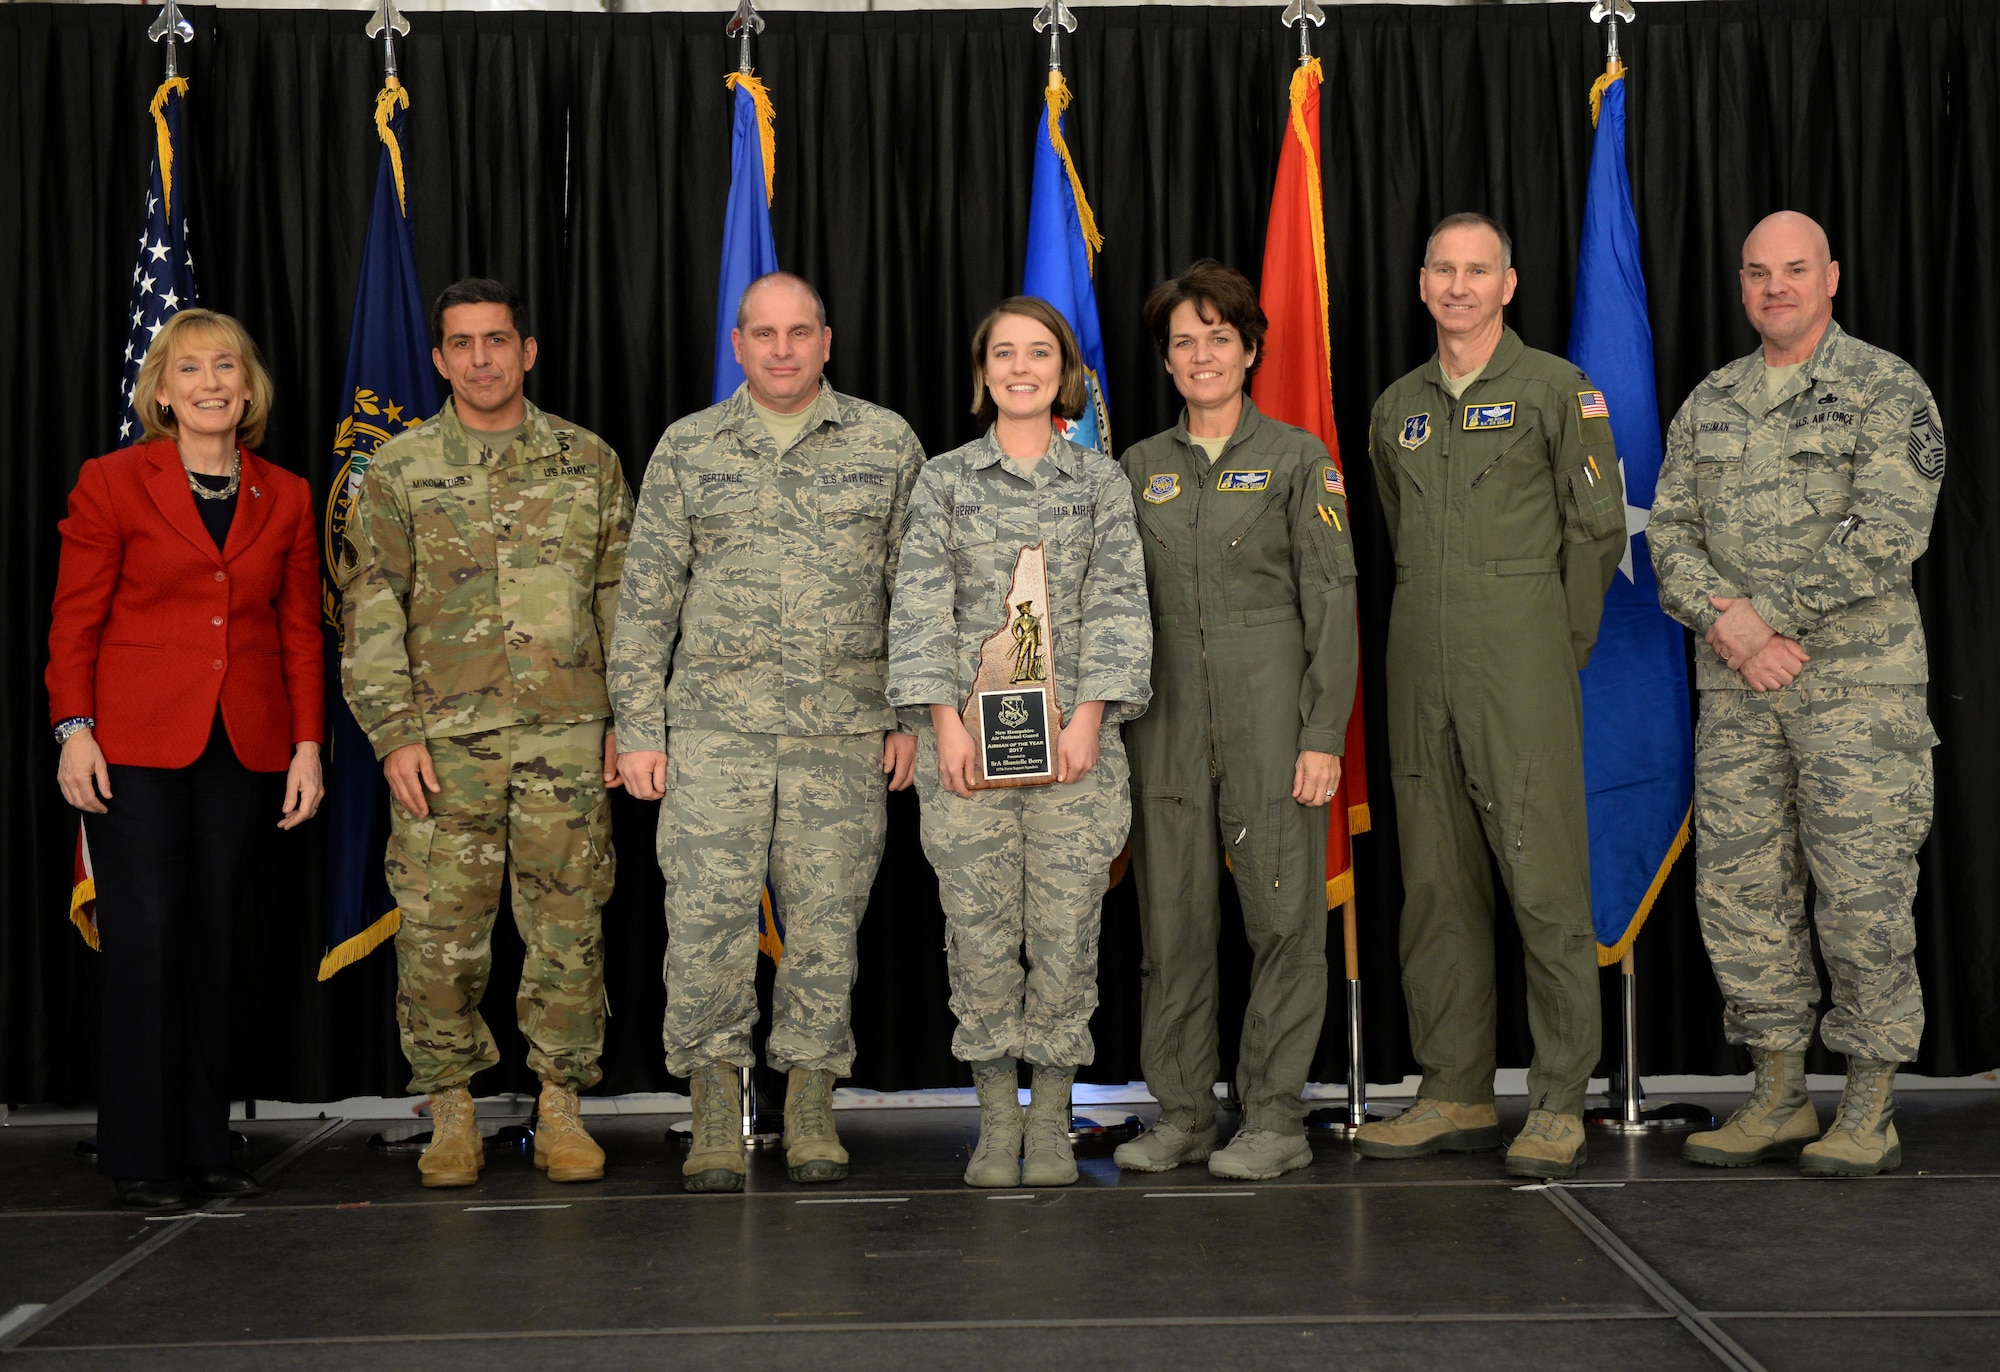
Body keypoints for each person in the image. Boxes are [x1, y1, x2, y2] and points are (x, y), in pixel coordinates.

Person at [608, 271, 926, 1193]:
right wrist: (638, 728)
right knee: (703, 923)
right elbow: (645, 605)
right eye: (763, 334)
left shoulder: (885, 443)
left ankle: (811, 1105)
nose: (782, 350)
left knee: (828, 926)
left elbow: (917, 597)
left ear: (827, 341)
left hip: (843, 737)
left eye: (799, 333)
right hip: (713, 738)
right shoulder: (689, 448)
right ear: (737, 345)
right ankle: (714, 1105)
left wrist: (907, 715)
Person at [1651, 212, 1942, 1178]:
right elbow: (1669, 538)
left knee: (1862, 896)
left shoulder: (1885, 388)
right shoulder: (1712, 401)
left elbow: (1889, 532)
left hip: (1856, 695)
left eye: (1795, 270)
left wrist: (1762, 618)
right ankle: (1777, 1095)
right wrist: (1728, 628)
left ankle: (1870, 1104)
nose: (1776, 287)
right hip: (1739, 695)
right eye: (1758, 273)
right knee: (1744, 894)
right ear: (1741, 286)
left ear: (1831, 279)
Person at [341, 278, 632, 1189]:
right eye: (461, 344)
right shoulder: (398, 469)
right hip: (445, 743)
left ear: (528, 350)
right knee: (438, 936)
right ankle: (452, 1112)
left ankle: (559, 1109)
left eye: (497, 340)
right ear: (438, 359)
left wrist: (632, 719)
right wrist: (393, 733)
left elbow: (624, 599)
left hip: (569, 739)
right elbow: (369, 604)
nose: (481, 359)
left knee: (567, 931)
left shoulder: (587, 461)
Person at [1355, 213, 1628, 1180]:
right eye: (1443, 269)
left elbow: (1595, 537)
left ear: (1509, 284)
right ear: (1421, 282)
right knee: (1435, 887)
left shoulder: (1560, 391)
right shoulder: (1395, 408)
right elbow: (1396, 537)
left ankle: (1558, 1101)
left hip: (1521, 668)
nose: (1460, 286)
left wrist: (1550, 653)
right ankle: (1456, 1090)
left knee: (1545, 886)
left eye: (1479, 270)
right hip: (1417, 668)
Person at [48, 309, 325, 1211]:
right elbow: (75, 619)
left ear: (248, 389)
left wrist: (308, 746)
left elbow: (298, 635)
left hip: (242, 745)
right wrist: (72, 728)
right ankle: (141, 1153)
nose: (210, 383)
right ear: (161, 392)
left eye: (227, 368)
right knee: (148, 944)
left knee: (218, 945)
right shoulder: (112, 482)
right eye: (189, 369)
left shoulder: (283, 493)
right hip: (131, 746)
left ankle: (208, 1144)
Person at [887, 296, 1152, 1189]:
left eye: (1040, 352)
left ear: (1065, 370)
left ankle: (1053, 1120)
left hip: (1076, 752)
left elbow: (1120, 605)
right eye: (1004, 353)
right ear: (983, 373)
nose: (1022, 367)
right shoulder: (945, 480)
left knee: (1069, 933)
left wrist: (1088, 718)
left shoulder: (1099, 485)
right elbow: (917, 606)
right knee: (980, 932)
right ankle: (999, 1121)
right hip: (966, 753)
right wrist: (942, 724)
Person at [1110, 261, 1359, 1181]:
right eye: (1185, 341)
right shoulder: (1136, 469)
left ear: (1251, 349)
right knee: (1171, 927)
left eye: (1220, 336)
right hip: (1165, 727)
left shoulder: (1299, 461)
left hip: (1272, 724)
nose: (1203, 354)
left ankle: (1274, 1119)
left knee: (1284, 925)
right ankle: (1181, 1112)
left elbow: (1333, 601)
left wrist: (1322, 735)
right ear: (1168, 363)